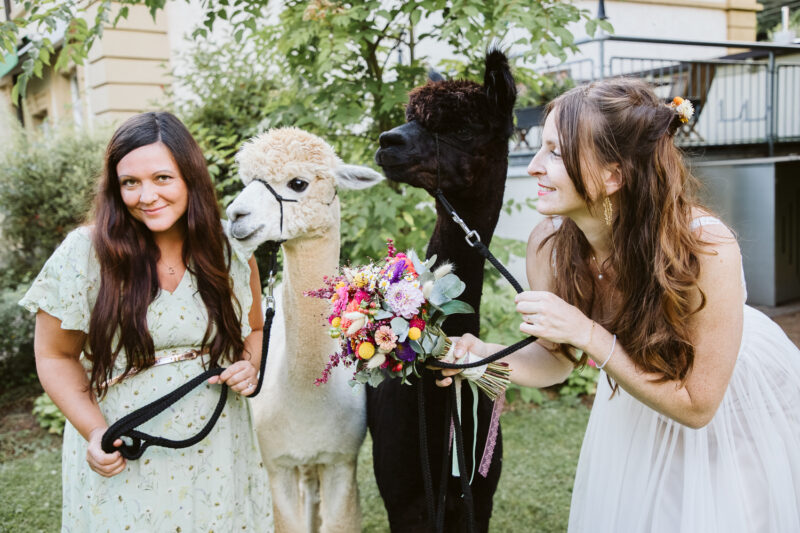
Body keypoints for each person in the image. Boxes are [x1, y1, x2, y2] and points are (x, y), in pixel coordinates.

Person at [438, 78, 800, 532]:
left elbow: (698, 406)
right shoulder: (549, 245)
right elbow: (557, 359)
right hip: (637, 394)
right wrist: (483, 358)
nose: (532, 166)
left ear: (613, 174)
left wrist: (588, 333)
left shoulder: (704, 246)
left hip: (735, 404)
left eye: (555, 151)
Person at [20, 111, 274, 531]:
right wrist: (95, 432)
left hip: (217, 444)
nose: (146, 195)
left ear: (190, 177)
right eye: (130, 183)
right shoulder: (84, 253)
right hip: (126, 441)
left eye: (162, 178)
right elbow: (53, 354)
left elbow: (256, 329)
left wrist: (249, 364)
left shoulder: (230, 248)